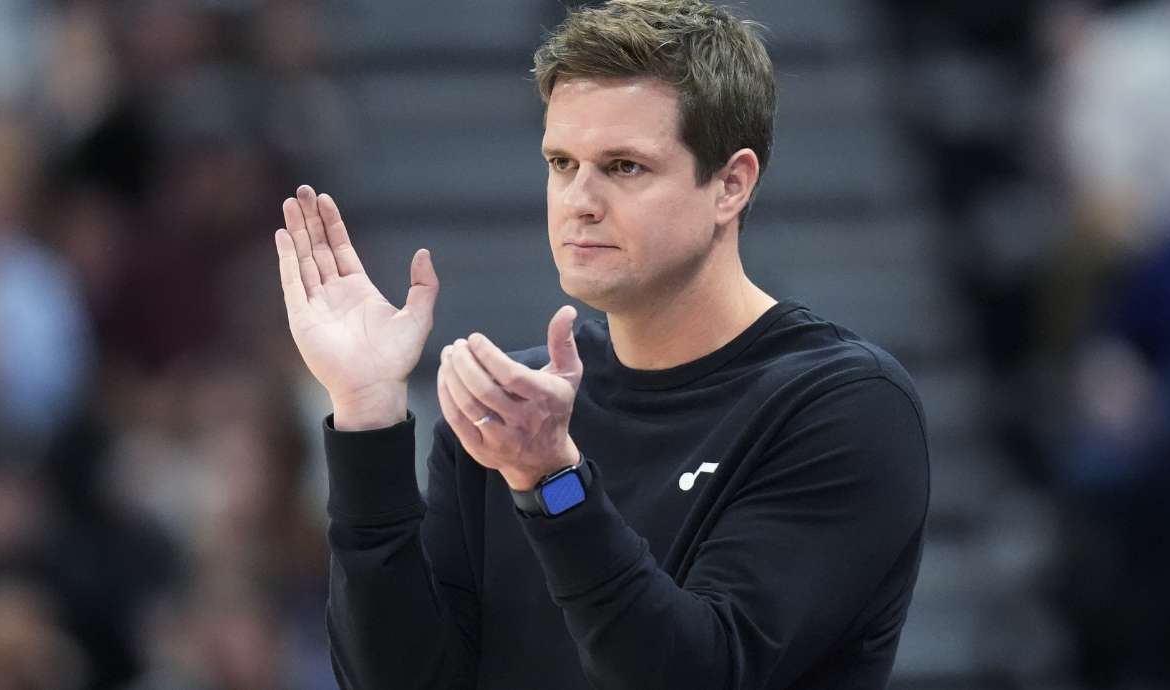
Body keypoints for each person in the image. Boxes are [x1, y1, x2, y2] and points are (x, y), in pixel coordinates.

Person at [272, 1, 929, 688]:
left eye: (624, 167)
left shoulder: (843, 407)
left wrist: (552, 484)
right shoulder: (513, 414)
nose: (578, 200)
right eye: (562, 162)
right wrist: (367, 413)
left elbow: (700, 674)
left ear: (730, 184)